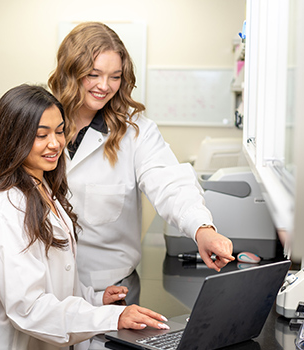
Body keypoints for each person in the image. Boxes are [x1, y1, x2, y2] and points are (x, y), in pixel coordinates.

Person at [0, 84, 170, 350]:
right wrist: (112, 317)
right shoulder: (8, 205)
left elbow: (55, 280)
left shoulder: (43, 187)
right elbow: (29, 308)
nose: (55, 143)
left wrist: (95, 299)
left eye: (60, 131)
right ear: (13, 139)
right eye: (41, 135)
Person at [48, 22, 234, 305]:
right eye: (93, 74)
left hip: (110, 288)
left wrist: (202, 229)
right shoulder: (41, 123)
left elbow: (169, 182)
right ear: (70, 71)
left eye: (115, 77)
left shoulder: (135, 132)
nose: (104, 86)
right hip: (47, 286)